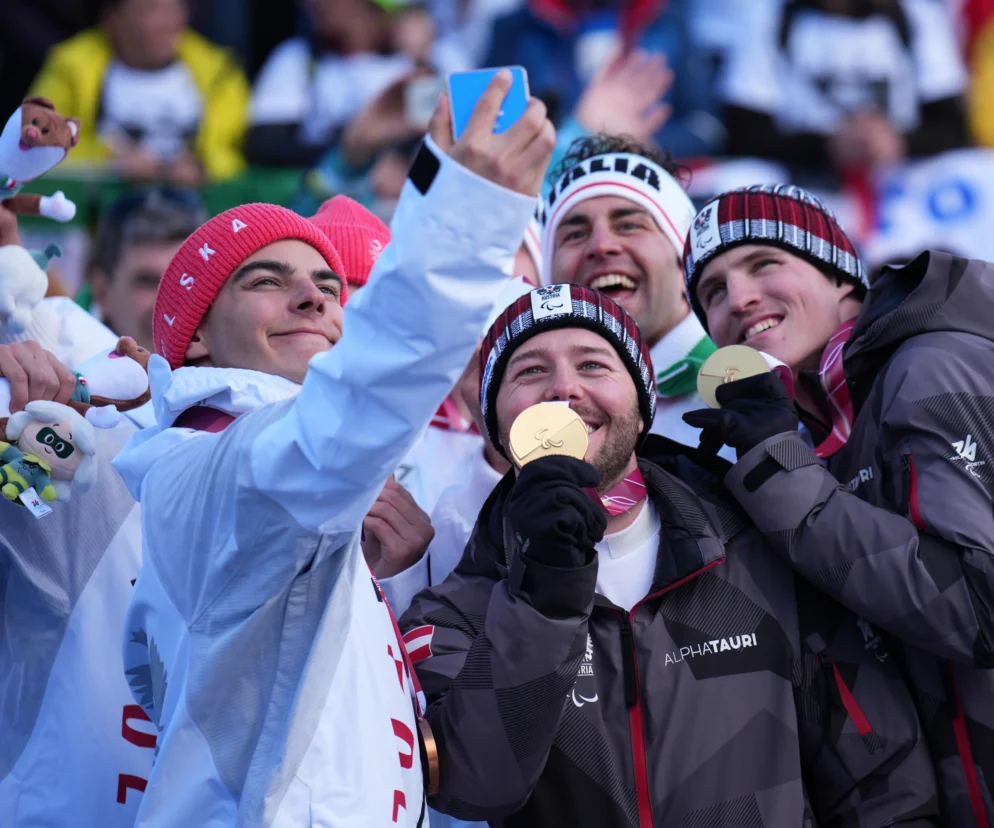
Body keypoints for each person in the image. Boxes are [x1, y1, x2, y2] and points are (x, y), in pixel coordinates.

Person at [114, 72, 555, 826]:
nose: (315, 297)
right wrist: (462, 217)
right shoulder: (211, 470)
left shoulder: (272, 481)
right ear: (196, 335)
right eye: (266, 279)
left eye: (328, 284)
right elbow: (355, 407)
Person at [399, 282, 939, 826]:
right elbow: (473, 786)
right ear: (498, 426)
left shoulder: (763, 549)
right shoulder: (456, 608)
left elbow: (882, 777)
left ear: (642, 410)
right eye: (531, 371)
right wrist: (543, 593)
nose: (562, 389)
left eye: (592, 365)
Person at [682, 183, 994, 825]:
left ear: (841, 276)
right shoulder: (828, 430)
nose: (738, 299)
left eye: (764, 263)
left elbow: (978, 606)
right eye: (712, 291)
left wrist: (783, 478)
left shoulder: (928, 365)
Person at [539, 134, 724, 452]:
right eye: (575, 234)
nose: (600, 245)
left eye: (629, 226)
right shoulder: (531, 406)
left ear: (685, 265)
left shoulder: (743, 388)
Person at [722, 0, 969, 177]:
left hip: (899, 181)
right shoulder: (771, 15)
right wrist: (827, 146)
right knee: (739, 176)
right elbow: (744, 134)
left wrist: (898, 142)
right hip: (804, 179)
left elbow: (953, 128)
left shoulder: (917, 15)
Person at [30, 0, 249, 184]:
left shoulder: (219, 71)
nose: (168, 22)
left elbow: (241, 153)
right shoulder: (71, 68)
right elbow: (36, 144)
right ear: (112, 20)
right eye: (150, 10)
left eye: (175, 8)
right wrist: (109, 161)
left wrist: (203, 167)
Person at [89, 188, 207, 351]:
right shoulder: (61, 358)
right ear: (101, 293)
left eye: (186, 282)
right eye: (148, 282)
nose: (170, 305)